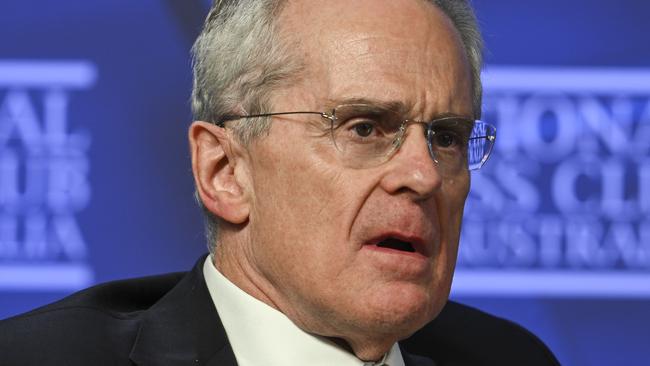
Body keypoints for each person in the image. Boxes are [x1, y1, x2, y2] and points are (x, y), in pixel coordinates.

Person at [0, 0, 560, 365]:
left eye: (446, 137)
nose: (422, 175)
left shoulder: (508, 357)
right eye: (363, 127)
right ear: (226, 172)